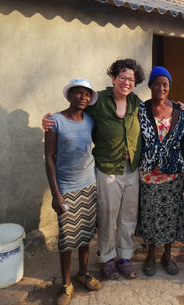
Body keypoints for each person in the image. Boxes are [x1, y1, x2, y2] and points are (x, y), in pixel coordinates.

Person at [44, 59, 145, 280]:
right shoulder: (98, 101)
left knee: (128, 216)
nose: (126, 82)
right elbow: (74, 110)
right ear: (113, 78)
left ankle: (125, 257)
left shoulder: (136, 103)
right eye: (122, 77)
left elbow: (156, 116)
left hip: (132, 169)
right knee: (108, 215)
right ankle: (107, 258)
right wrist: (50, 120)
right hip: (107, 168)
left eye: (131, 79)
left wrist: (179, 106)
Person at [44, 78, 102, 305]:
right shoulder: (55, 121)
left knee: (86, 235)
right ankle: (66, 283)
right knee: (67, 240)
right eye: (78, 93)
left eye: (87, 94)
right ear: (69, 96)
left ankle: (83, 273)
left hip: (89, 184)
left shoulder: (89, 120)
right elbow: (49, 158)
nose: (83, 98)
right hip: (66, 189)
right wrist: (55, 194)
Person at [136, 66, 184, 277]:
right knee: (150, 214)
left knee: (170, 214)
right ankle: (151, 254)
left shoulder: (179, 112)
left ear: (170, 86)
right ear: (150, 86)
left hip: (173, 173)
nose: (161, 87)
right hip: (148, 173)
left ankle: (168, 254)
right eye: (156, 83)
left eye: (165, 84)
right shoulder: (140, 110)